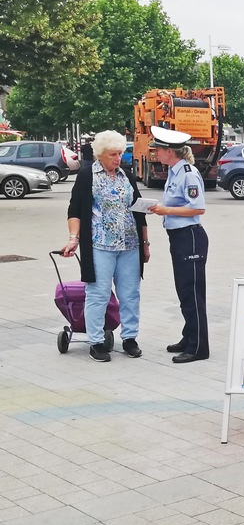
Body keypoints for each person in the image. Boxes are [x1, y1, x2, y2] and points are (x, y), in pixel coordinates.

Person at [61, 129, 149, 362]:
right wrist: (73, 239)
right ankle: (96, 342)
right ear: (100, 154)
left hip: (129, 245)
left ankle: (130, 338)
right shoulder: (87, 175)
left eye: (120, 154)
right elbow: (75, 210)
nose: (117, 158)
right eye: (112, 154)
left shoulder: (126, 176)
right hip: (100, 245)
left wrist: (145, 243)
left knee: (130, 294)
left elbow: (139, 211)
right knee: (98, 294)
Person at [147, 127, 210, 364]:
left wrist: (166, 210)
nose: (155, 154)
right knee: (184, 291)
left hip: (190, 236)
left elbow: (198, 207)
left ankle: (199, 347)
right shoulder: (175, 171)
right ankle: (189, 336)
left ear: (169, 152)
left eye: (158, 150)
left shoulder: (188, 174)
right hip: (179, 237)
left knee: (193, 293)